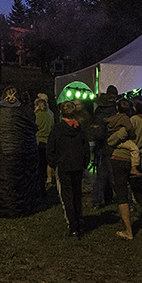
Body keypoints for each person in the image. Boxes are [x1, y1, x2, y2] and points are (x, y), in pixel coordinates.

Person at [0, 86, 42, 217]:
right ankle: (20, 207)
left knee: (3, 180)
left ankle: (2, 207)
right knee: (19, 181)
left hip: (2, 153)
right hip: (20, 153)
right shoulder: (24, 111)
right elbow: (31, 129)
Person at [111, 97, 142, 240]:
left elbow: (121, 135)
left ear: (136, 108)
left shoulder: (135, 121)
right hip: (136, 163)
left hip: (121, 157)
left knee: (122, 195)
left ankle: (128, 231)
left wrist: (111, 141)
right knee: (140, 195)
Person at [47, 101, 90, 238]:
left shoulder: (57, 129)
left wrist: (54, 163)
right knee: (76, 194)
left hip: (64, 166)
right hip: (76, 165)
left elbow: (51, 149)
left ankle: (73, 226)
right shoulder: (79, 128)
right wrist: (84, 162)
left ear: (61, 112)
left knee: (67, 197)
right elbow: (85, 148)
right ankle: (79, 221)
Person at [34, 96, 55, 191]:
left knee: (39, 164)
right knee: (47, 162)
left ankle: (40, 182)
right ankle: (49, 178)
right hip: (47, 142)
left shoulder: (35, 116)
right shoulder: (50, 116)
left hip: (38, 143)